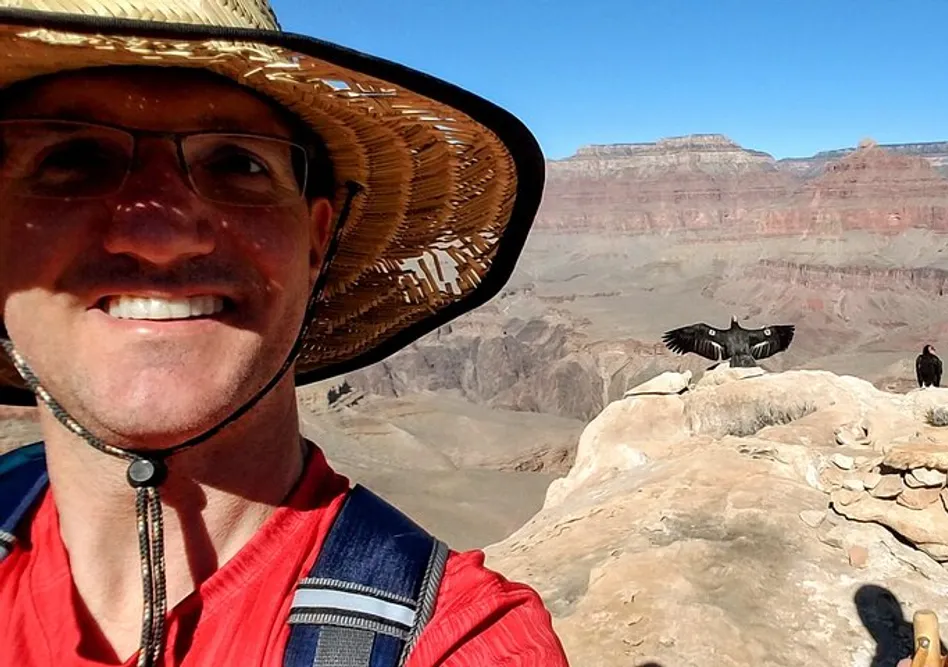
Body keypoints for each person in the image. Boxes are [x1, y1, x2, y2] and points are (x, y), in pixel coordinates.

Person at [0, 1, 567, 666]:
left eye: (237, 163)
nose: (157, 234)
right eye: (76, 157)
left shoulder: (458, 645)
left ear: (316, 241)